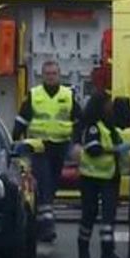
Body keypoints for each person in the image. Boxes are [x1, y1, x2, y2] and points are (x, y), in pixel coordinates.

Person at [12, 60, 80, 242]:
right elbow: (21, 120)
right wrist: (14, 142)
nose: (51, 77)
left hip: (60, 146)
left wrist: (77, 143)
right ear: (43, 76)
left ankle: (42, 221)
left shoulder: (68, 95)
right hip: (39, 147)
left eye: (54, 73)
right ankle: (46, 225)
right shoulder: (34, 95)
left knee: (52, 184)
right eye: (48, 73)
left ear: (59, 75)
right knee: (44, 183)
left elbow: (79, 121)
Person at [72, 91, 130, 258]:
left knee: (109, 215)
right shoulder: (93, 127)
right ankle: (83, 249)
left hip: (110, 176)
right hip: (91, 176)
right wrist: (114, 150)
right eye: (108, 103)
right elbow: (92, 148)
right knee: (89, 213)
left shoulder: (110, 126)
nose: (110, 106)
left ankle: (107, 250)